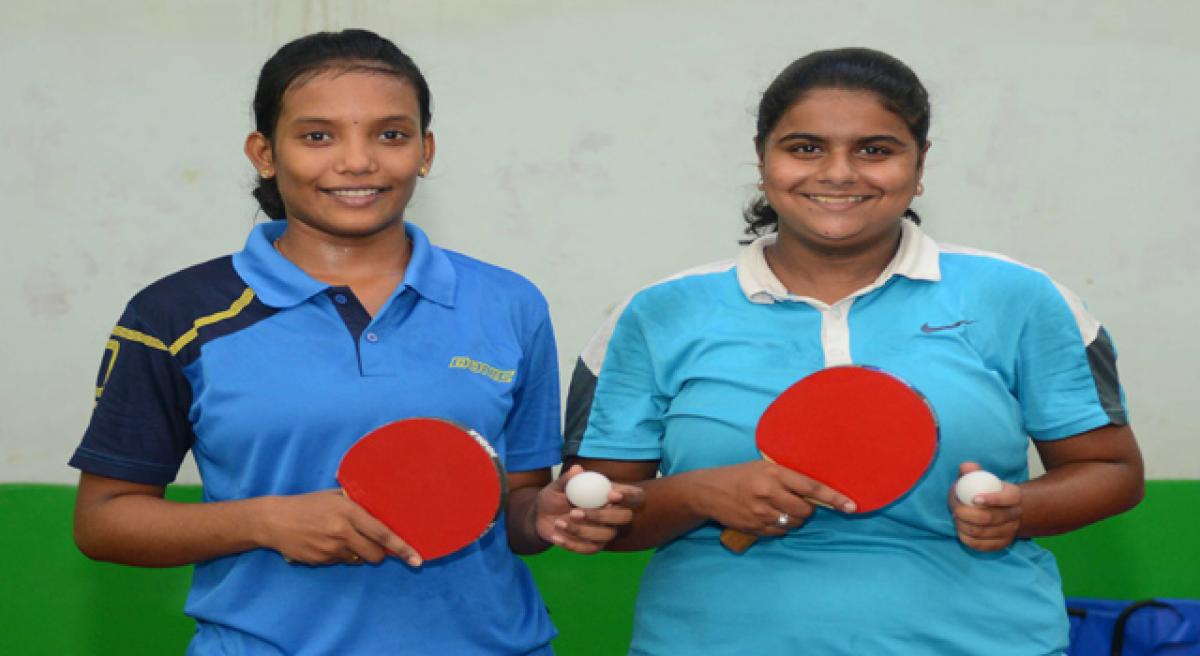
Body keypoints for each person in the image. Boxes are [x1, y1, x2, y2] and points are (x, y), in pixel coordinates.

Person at [70, 29, 639, 655]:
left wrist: (547, 516)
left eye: (390, 135)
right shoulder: (175, 313)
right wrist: (265, 521)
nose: (358, 161)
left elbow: (513, 505)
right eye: (318, 136)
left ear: (425, 150)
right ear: (264, 152)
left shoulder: (508, 302)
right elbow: (104, 521)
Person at [562, 47, 1144, 655]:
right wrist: (695, 494)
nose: (839, 172)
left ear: (920, 166)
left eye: (875, 149)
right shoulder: (657, 314)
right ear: (763, 162)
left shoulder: (1020, 297)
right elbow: (594, 512)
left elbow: (1112, 471)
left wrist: (1016, 509)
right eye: (805, 147)